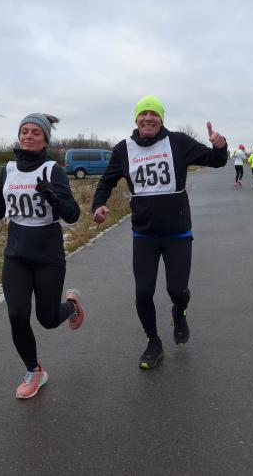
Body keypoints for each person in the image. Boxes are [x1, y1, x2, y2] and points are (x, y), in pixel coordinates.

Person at [0, 113, 84, 399]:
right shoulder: (8, 169)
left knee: (47, 319)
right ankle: (34, 371)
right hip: (16, 257)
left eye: (36, 132)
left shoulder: (53, 170)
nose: (28, 136)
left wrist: (52, 197)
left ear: (45, 140)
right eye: (25, 131)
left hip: (48, 257)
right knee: (18, 316)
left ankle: (72, 306)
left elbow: (73, 215)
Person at [91, 95, 228, 369]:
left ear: (161, 119)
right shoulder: (123, 149)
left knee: (177, 290)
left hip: (177, 234)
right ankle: (153, 343)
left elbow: (216, 160)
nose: (148, 118)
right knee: (143, 292)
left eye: (154, 114)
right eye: (143, 114)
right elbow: (106, 181)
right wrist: (99, 205)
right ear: (136, 119)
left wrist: (221, 145)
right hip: (144, 234)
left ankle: (180, 312)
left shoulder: (177, 142)